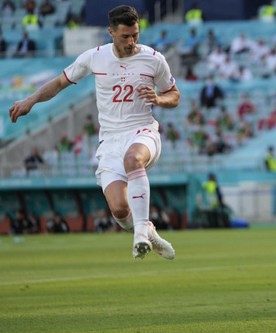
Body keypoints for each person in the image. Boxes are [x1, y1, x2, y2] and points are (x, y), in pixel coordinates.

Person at [9, 5, 179, 260]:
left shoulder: (154, 58)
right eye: (125, 36)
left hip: (142, 130)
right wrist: (30, 101)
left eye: (135, 34)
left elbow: (174, 95)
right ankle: (150, 233)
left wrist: (157, 98)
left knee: (133, 159)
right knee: (120, 211)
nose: (132, 41)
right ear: (111, 32)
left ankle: (141, 234)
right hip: (110, 140)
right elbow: (58, 83)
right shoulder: (94, 57)